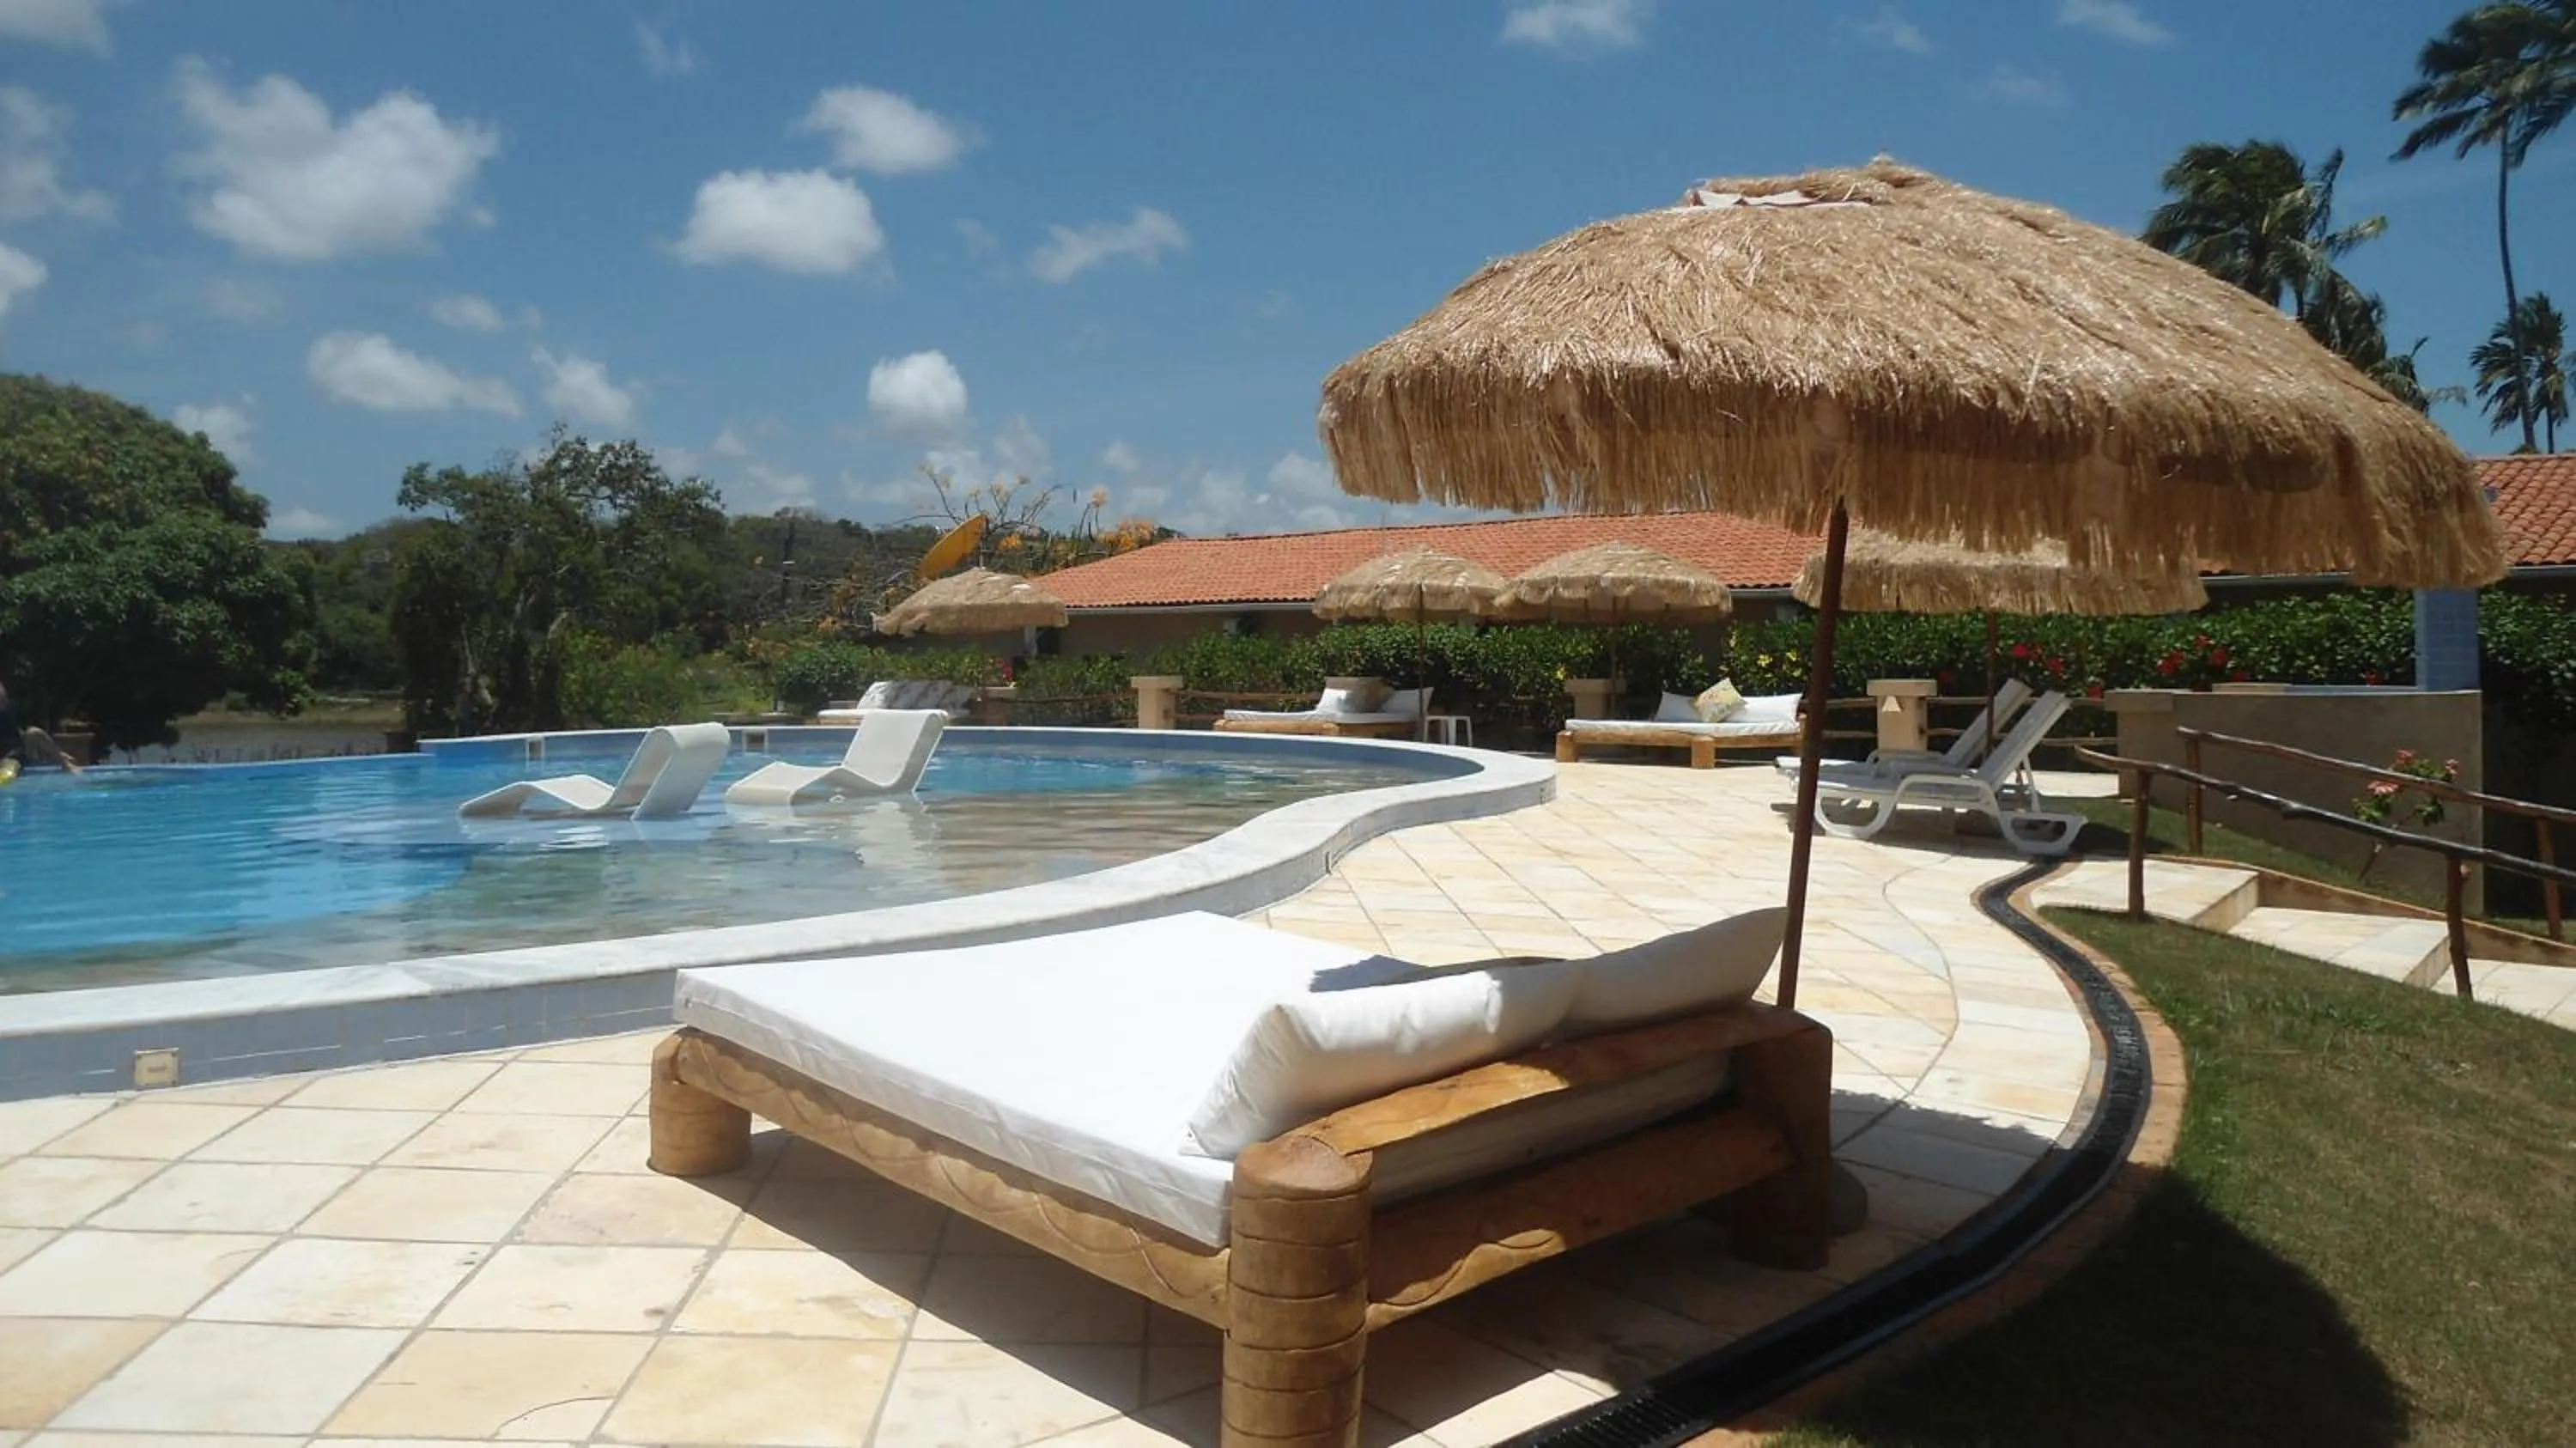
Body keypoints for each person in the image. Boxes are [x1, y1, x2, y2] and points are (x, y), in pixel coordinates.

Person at [0, 679, 84, 776]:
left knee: (34, 733)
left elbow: (19, 737)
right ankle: (63, 757)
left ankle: (66, 764)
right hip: (8, 756)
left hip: (14, 756)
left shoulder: (7, 712)